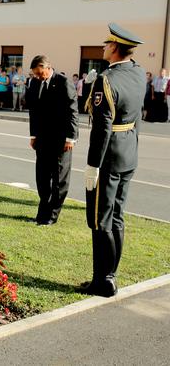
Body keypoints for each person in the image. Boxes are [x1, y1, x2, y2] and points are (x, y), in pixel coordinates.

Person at [81, 23, 146, 297]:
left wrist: (93, 165)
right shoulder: (138, 72)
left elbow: (102, 127)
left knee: (100, 220)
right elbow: (136, 115)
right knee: (117, 217)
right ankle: (111, 274)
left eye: (107, 44)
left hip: (108, 156)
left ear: (116, 48)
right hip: (128, 150)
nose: (104, 47)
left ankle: (104, 280)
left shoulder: (106, 80)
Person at [27, 54, 78, 226]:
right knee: (42, 177)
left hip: (61, 140)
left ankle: (52, 215)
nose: (38, 77)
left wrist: (71, 138)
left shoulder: (63, 82)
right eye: (36, 74)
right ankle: (42, 213)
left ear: (48, 68)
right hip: (42, 139)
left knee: (59, 179)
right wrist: (33, 135)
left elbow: (72, 111)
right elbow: (33, 111)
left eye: (40, 74)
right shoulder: (34, 83)